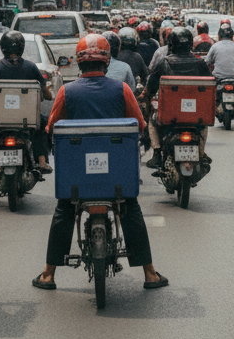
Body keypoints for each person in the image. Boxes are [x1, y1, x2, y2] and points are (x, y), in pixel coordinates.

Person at [31, 33, 167, 292]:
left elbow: (51, 128)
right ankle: (149, 273)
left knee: (64, 210)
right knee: (130, 208)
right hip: (117, 177)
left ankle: (48, 274)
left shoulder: (66, 91)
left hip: (76, 178)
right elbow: (139, 124)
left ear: (79, 63)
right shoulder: (122, 89)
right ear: (106, 62)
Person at [0, 30, 50, 183]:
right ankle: (42, 163)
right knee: (42, 126)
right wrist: (47, 94)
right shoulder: (31, 67)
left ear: (2, 48)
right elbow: (46, 93)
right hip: (27, 121)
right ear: (22, 48)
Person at [143, 26, 213, 169]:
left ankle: (156, 153)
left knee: (152, 121)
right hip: (195, 115)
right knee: (203, 125)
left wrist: (145, 96)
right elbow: (210, 86)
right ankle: (201, 152)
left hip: (169, 115)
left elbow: (151, 87)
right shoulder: (200, 63)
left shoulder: (164, 62)